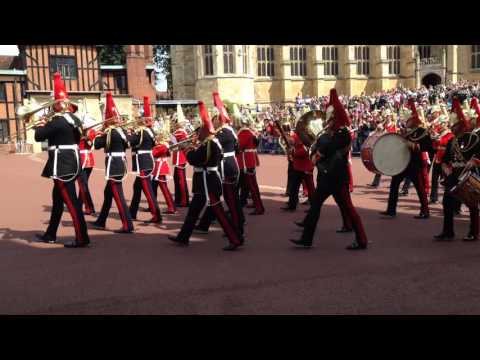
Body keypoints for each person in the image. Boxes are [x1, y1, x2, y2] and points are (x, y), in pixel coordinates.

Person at [290, 89, 368, 250]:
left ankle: (362, 240)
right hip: (327, 177)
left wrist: (319, 144)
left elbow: (326, 150)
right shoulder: (331, 133)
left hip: (338, 178)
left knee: (349, 209)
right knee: (315, 206)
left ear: (335, 118)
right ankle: (306, 239)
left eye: (329, 118)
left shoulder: (342, 133)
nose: (327, 121)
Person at [168, 101, 243, 251]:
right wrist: (192, 146)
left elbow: (196, 159)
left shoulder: (210, 143)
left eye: (201, 129)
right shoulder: (208, 142)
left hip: (208, 181)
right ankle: (184, 236)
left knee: (219, 212)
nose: (198, 132)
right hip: (203, 181)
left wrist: (186, 149)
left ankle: (235, 238)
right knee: (194, 210)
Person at [34, 72, 90, 248]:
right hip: (72, 162)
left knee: (71, 203)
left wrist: (41, 122)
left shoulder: (56, 121)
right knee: (57, 200)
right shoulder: (73, 119)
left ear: (56, 105)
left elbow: (38, 136)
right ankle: (50, 233)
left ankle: (82, 237)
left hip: (62, 165)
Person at [195, 92, 245, 237]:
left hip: (226, 167)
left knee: (230, 199)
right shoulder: (230, 131)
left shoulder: (223, 133)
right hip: (229, 164)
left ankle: (237, 226)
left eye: (215, 118)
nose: (214, 121)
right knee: (218, 197)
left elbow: (211, 143)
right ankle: (205, 223)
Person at [434, 98, 480, 241]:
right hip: (453, 174)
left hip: (468, 173)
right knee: (447, 202)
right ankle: (448, 232)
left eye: (454, 125)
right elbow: (445, 159)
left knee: (472, 204)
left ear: (460, 125)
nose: (451, 127)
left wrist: (474, 160)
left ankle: (474, 232)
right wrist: (444, 167)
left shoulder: (473, 138)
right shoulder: (452, 141)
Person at [380, 98, 434, 219]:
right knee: (394, 184)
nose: (406, 122)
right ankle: (391, 210)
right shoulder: (406, 132)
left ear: (413, 120)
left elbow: (428, 147)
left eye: (408, 120)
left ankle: (425, 211)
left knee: (420, 188)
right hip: (403, 163)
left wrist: (414, 146)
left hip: (415, 164)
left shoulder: (422, 132)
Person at [90, 92, 134, 234]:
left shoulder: (110, 132)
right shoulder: (122, 131)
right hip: (120, 162)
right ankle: (101, 220)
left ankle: (127, 224)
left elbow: (97, 144)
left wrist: (93, 134)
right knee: (108, 193)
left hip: (114, 164)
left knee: (118, 195)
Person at [128, 96, 162, 224]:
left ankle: (156, 214)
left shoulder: (141, 132)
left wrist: (129, 134)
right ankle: (132, 212)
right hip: (148, 160)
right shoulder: (150, 131)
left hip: (142, 161)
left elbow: (131, 142)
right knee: (137, 187)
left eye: (139, 119)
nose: (137, 120)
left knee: (147, 190)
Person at [237, 114, 265, 215]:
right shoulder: (250, 132)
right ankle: (254, 203)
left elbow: (239, 146)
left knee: (252, 185)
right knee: (249, 184)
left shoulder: (244, 132)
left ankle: (259, 207)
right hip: (250, 160)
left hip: (246, 161)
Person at [151, 129, 176, 214]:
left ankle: (171, 207)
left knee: (164, 189)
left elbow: (152, 153)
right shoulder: (164, 146)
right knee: (153, 187)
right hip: (159, 168)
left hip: (159, 169)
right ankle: (153, 206)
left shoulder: (161, 147)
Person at [77, 117, 97, 215]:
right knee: (82, 184)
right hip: (81, 158)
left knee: (83, 184)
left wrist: (86, 135)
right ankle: (78, 205)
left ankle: (89, 207)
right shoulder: (79, 130)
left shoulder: (91, 132)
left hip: (85, 160)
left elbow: (90, 143)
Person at [172, 114, 190, 207]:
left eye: (175, 122)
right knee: (176, 178)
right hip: (179, 157)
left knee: (181, 179)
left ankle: (184, 201)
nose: (174, 124)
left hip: (180, 157)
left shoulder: (179, 132)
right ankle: (178, 199)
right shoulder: (181, 132)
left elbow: (175, 144)